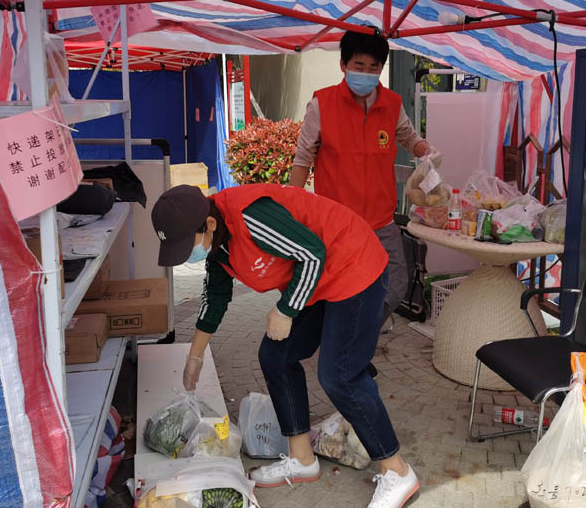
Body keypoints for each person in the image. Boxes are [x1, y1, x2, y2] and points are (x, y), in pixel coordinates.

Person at [152, 183, 420, 508]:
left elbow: (311, 254)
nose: (188, 254)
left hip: (353, 265)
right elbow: (215, 298)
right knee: (275, 355)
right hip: (318, 281)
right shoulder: (217, 247)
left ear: (209, 224)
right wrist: (195, 356)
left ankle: (398, 471)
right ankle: (302, 459)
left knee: (339, 374)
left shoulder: (251, 217)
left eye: (187, 244)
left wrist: (285, 310)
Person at [289, 28, 435, 331]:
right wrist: (292, 208)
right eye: (359, 66)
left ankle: (359, 335)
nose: (366, 74)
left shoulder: (391, 103)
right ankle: (342, 341)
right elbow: (302, 159)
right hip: (337, 221)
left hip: (381, 221)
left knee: (395, 284)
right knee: (339, 290)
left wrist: (425, 150)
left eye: (373, 67)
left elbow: (408, 137)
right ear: (343, 65)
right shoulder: (322, 104)